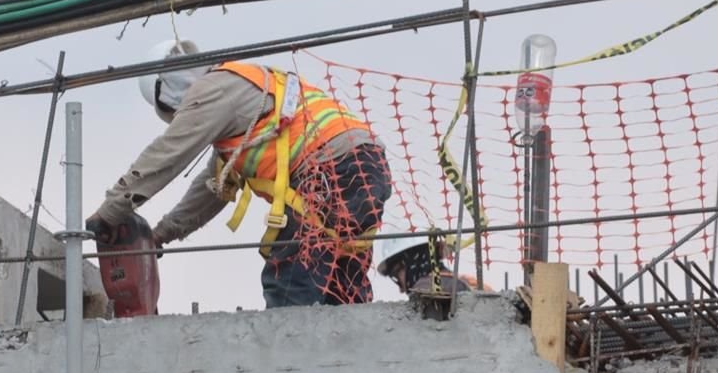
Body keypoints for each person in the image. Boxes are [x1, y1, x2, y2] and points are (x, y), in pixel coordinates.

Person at [86, 38, 392, 308]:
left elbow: (168, 153)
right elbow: (211, 189)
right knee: (340, 289)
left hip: (329, 172)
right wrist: (160, 235)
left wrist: (110, 211)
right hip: (366, 170)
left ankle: (286, 369)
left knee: (289, 285)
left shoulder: (214, 89)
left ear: (165, 97)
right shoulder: (241, 95)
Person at [374, 235, 486, 294]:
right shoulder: (461, 281)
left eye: (396, 275)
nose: (401, 290)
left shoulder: (426, 287)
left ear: (411, 262)